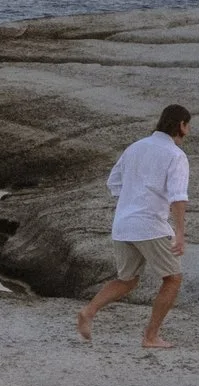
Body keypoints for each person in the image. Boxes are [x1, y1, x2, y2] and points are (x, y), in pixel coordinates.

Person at [76, 104, 192, 350]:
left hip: (123, 223)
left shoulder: (135, 147)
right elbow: (178, 197)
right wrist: (180, 232)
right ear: (181, 125)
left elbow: (113, 182)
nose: (188, 131)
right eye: (188, 125)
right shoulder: (176, 155)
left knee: (127, 280)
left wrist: (132, 201)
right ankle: (151, 336)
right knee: (172, 278)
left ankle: (89, 311)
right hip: (150, 225)